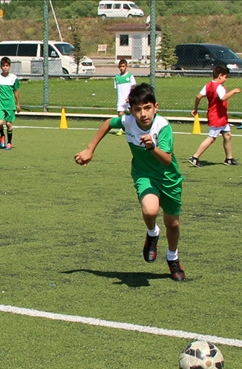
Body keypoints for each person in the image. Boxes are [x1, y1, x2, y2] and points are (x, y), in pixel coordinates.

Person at [74, 83, 186, 281]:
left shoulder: (163, 126)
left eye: (147, 108)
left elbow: (167, 160)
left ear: (156, 107)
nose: (143, 114)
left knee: (173, 223)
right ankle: (152, 233)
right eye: (137, 109)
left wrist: (152, 147)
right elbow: (108, 123)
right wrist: (90, 149)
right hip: (144, 175)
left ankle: (172, 257)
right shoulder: (128, 122)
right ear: (131, 111)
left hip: (169, 179)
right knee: (150, 210)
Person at [188, 65, 241, 167]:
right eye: (225, 77)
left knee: (227, 135)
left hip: (221, 116)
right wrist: (233, 91)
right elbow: (223, 98)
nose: (226, 79)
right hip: (217, 116)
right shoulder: (219, 87)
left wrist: (196, 108)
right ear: (220, 76)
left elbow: (198, 96)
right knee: (211, 138)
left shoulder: (208, 85)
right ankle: (195, 157)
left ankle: (229, 158)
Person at [0, 57, 21, 150]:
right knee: (0, 122)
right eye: (3, 66)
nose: (5, 67)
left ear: (9, 66)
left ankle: (9, 143)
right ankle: (2, 135)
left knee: (9, 124)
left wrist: (18, 104)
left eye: (7, 66)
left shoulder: (13, 78)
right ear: (1, 67)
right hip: (0, 104)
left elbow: (16, 91)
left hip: (10, 104)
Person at [114, 59, 137, 136]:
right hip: (121, 99)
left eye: (123, 66)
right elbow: (117, 88)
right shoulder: (116, 77)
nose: (122, 68)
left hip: (129, 99)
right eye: (120, 66)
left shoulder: (130, 76)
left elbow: (133, 87)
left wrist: (129, 97)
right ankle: (121, 129)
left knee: (132, 113)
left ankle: (134, 128)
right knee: (120, 113)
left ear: (126, 67)